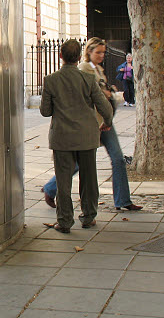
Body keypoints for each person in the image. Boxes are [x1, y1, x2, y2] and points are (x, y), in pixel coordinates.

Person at [41, 38, 143, 215]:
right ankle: (53, 190)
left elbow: (46, 110)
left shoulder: (98, 70)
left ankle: (122, 200)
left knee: (117, 159)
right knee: (80, 166)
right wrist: (103, 93)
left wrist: (108, 115)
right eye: (98, 52)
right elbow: (85, 95)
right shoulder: (84, 70)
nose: (102, 56)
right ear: (86, 53)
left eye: (103, 52)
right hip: (90, 125)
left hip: (103, 123)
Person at [40, 39, 113, 233]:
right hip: (87, 136)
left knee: (63, 181)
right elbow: (104, 106)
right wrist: (107, 122)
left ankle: (64, 221)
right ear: (80, 57)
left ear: (60, 56)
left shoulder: (51, 80)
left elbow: (45, 111)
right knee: (89, 178)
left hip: (62, 137)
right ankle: (88, 216)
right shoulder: (88, 79)